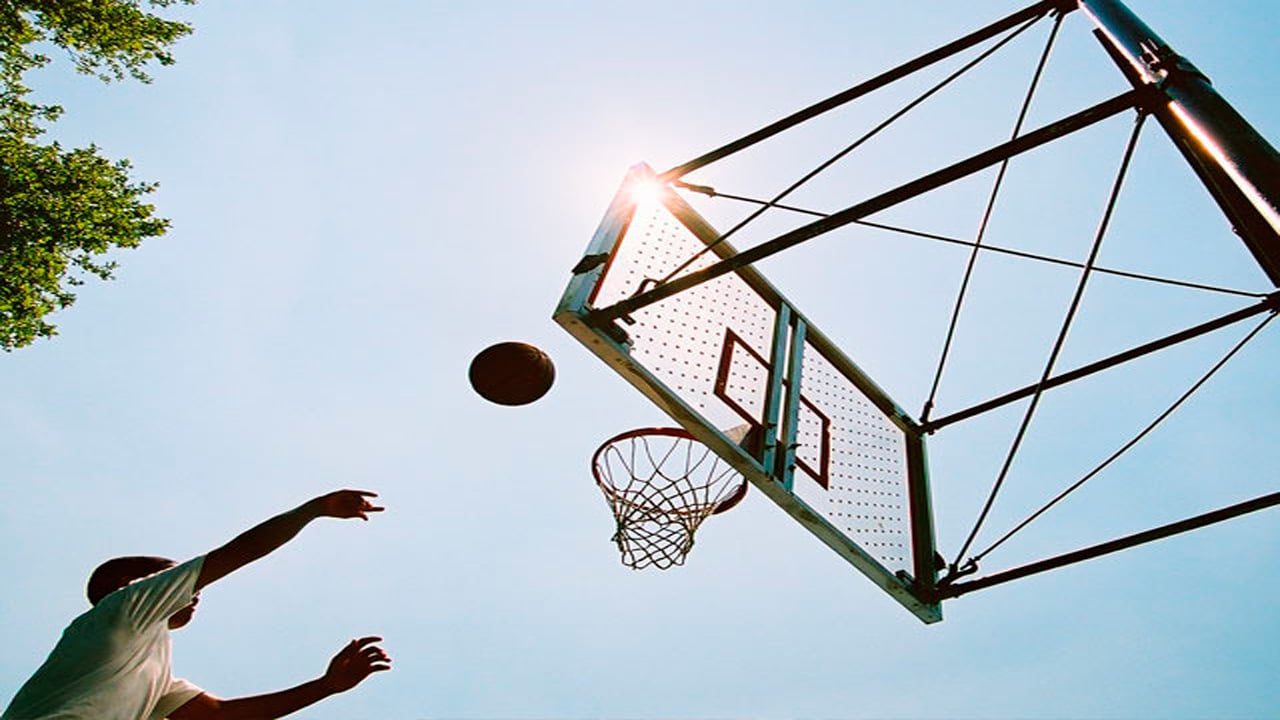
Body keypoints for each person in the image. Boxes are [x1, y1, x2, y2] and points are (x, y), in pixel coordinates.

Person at [2, 489, 392, 719]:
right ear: (133, 584)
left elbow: (220, 716)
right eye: (177, 576)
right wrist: (313, 509)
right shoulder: (126, 606)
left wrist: (326, 687)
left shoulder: (152, 667)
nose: (196, 590)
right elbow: (237, 553)